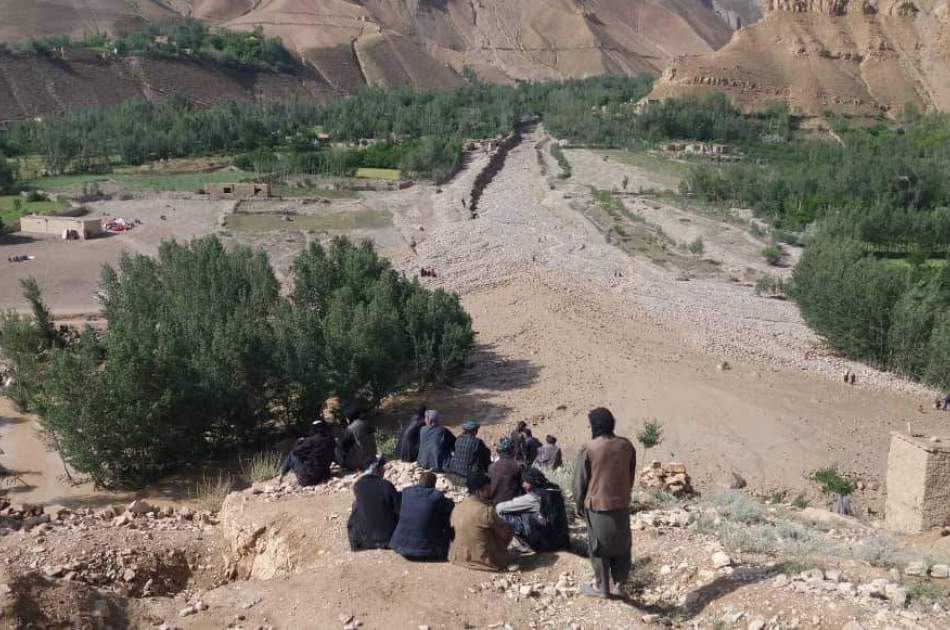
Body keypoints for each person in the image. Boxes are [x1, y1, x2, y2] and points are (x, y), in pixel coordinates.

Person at [572, 407, 637, 599]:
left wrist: (578, 505)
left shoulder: (589, 448)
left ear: (594, 425)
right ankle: (619, 584)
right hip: (622, 504)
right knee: (623, 546)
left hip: (597, 506)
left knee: (598, 547)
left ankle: (602, 588)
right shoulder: (627, 446)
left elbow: (579, 482)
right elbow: (630, 475)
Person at [449, 470, 513, 571]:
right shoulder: (486, 511)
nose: (490, 491)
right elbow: (504, 534)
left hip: (458, 557)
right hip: (484, 561)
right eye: (487, 489)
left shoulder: (458, 507)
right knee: (508, 527)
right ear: (479, 491)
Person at [495, 467, 570, 553]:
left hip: (544, 544)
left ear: (531, 482)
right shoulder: (555, 490)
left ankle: (526, 545)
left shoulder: (533, 498)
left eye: (525, 482)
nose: (523, 485)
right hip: (561, 540)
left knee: (502, 515)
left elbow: (500, 508)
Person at [390, 471, 455, 561]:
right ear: (433, 484)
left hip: (401, 545)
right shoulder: (437, 496)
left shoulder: (406, 492)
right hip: (426, 550)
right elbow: (449, 506)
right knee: (443, 516)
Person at [347, 456, 401, 551]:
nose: (384, 470)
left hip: (365, 540)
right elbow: (398, 509)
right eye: (382, 467)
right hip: (388, 539)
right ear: (376, 469)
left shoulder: (358, 486)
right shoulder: (387, 485)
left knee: (356, 506)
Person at [278, 420, 336, 486]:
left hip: (308, 479)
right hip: (325, 476)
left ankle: (281, 475)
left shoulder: (311, 440)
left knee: (291, 455)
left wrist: (299, 442)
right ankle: (281, 475)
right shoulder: (331, 439)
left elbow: (295, 451)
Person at [487, 437, 523, 505]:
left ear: (498, 451)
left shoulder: (491, 467)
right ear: (512, 451)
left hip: (495, 503)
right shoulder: (517, 466)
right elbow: (522, 485)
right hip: (512, 503)